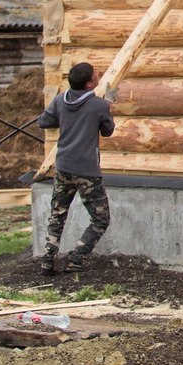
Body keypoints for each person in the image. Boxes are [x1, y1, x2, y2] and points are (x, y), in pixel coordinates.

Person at [37, 62, 116, 274]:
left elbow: (44, 122)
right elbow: (108, 131)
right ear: (90, 83)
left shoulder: (59, 100)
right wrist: (109, 106)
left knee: (58, 214)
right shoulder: (99, 106)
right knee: (100, 220)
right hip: (87, 173)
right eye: (95, 73)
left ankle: (47, 260)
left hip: (63, 168)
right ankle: (76, 258)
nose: (98, 74)